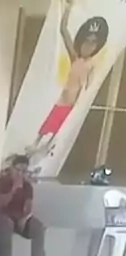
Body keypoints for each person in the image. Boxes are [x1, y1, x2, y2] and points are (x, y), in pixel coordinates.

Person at [27, 1, 109, 161]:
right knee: (47, 125)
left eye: (93, 43)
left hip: (71, 104)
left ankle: (47, 148)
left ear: (97, 46)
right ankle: (36, 144)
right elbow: (63, 30)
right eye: (86, 41)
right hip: (61, 101)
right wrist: (68, 9)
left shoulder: (91, 65)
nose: (88, 46)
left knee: (58, 130)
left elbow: (89, 87)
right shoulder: (75, 58)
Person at [0, 155, 47, 256]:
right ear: (12, 168)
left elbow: (28, 205)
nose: (20, 174)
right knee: (7, 224)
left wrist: (25, 218)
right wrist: (13, 190)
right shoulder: (0, 183)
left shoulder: (27, 186)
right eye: (18, 170)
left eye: (24, 171)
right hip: (0, 218)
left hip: (19, 219)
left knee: (38, 227)